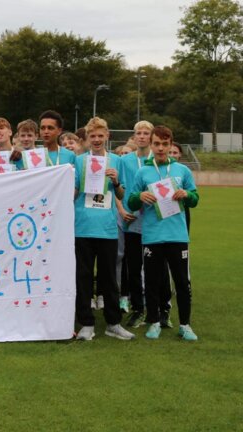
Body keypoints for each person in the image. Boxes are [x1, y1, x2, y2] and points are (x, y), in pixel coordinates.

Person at [127, 126, 199, 341]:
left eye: (164, 144)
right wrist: (140, 196)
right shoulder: (143, 172)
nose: (160, 148)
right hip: (152, 236)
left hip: (177, 236)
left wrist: (186, 194)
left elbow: (195, 200)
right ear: (151, 144)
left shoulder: (182, 171)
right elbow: (130, 202)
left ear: (170, 145)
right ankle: (154, 322)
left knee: (182, 283)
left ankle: (185, 325)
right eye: (156, 143)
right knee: (151, 281)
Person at [73, 117, 135, 341]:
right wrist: (76, 187)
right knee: (84, 277)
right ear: (87, 138)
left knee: (109, 278)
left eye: (101, 136)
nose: (97, 140)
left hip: (107, 227)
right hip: (82, 226)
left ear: (107, 135)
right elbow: (73, 194)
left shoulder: (117, 161)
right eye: (93, 136)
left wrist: (116, 182)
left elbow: (121, 195)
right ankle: (86, 324)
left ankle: (113, 323)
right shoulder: (79, 161)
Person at [119, 120, 155, 327]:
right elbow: (120, 188)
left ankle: (155, 309)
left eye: (145, 133)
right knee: (133, 267)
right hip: (132, 219)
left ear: (151, 136)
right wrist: (123, 210)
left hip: (152, 220)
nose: (141, 136)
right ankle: (137, 309)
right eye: (138, 133)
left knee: (153, 267)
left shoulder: (156, 160)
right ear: (133, 137)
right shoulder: (126, 161)